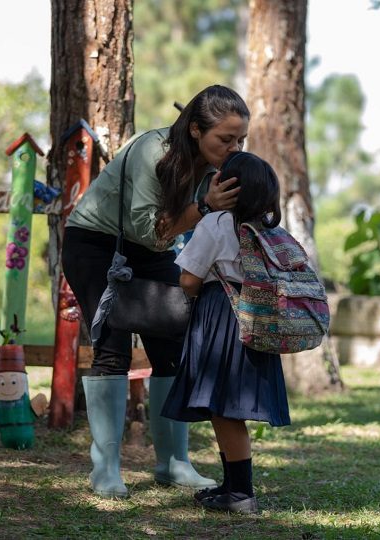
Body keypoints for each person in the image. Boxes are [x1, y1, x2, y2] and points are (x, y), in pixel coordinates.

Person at [62, 85, 250, 499]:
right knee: (112, 349)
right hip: (97, 245)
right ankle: (106, 469)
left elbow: (166, 238)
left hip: (154, 250)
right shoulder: (155, 151)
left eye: (240, 140)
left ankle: (173, 464)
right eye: (225, 139)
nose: (234, 147)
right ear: (197, 130)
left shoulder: (216, 166)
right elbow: (152, 227)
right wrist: (205, 206)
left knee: (174, 347)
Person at [161, 151, 291, 515]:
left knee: (225, 408)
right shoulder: (269, 229)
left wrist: (196, 293)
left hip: (223, 316)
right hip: (258, 320)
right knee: (225, 408)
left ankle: (242, 493)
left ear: (227, 186)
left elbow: (188, 279)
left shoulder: (217, 223)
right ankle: (232, 485)